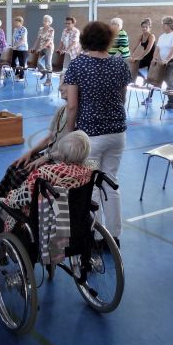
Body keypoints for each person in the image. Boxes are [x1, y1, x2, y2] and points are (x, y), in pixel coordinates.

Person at [0, 83, 72, 232]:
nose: (60, 88)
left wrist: (45, 158)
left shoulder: (76, 115)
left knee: (21, 176)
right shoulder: (61, 111)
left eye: (64, 85)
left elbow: (69, 150)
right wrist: (30, 153)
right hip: (48, 156)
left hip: (57, 161)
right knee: (14, 167)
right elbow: (49, 138)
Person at [64, 21, 132, 244]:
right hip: (117, 134)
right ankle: (113, 236)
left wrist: (68, 131)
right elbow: (122, 99)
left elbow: (72, 105)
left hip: (91, 137)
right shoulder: (120, 64)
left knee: (90, 184)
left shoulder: (78, 64)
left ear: (85, 40)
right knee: (111, 182)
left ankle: (93, 234)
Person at [0, 131, 93, 258]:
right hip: (72, 223)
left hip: (41, 225)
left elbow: (21, 198)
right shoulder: (89, 172)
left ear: (64, 155)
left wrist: (10, 195)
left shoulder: (45, 173)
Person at [152, 16, 173, 109]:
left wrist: (167, 59)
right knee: (166, 80)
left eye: (164, 23)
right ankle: (171, 102)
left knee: (169, 79)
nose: (162, 25)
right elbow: (157, 48)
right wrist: (154, 59)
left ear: (170, 25)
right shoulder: (162, 36)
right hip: (164, 61)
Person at [128, 18, 156, 83]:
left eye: (146, 27)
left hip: (152, 58)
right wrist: (131, 55)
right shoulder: (141, 36)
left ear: (149, 28)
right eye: (143, 27)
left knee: (150, 78)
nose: (144, 28)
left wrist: (140, 57)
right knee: (133, 66)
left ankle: (147, 82)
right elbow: (135, 47)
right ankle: (143, 77)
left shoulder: (151, 36)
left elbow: (148, 49)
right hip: (145, 57)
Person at [31, 15, 55, 86]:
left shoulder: (51, 30)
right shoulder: (41, 29)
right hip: (41, 48)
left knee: (48, 64)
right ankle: (43, 72)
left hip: (48, 48)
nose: (44, 22)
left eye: (46, 21)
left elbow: (48, 41)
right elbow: (38, 39)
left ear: (49, 22)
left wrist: (40, 48)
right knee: (37, 62)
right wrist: (34, 47)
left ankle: (49, 80)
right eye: (44, 20)